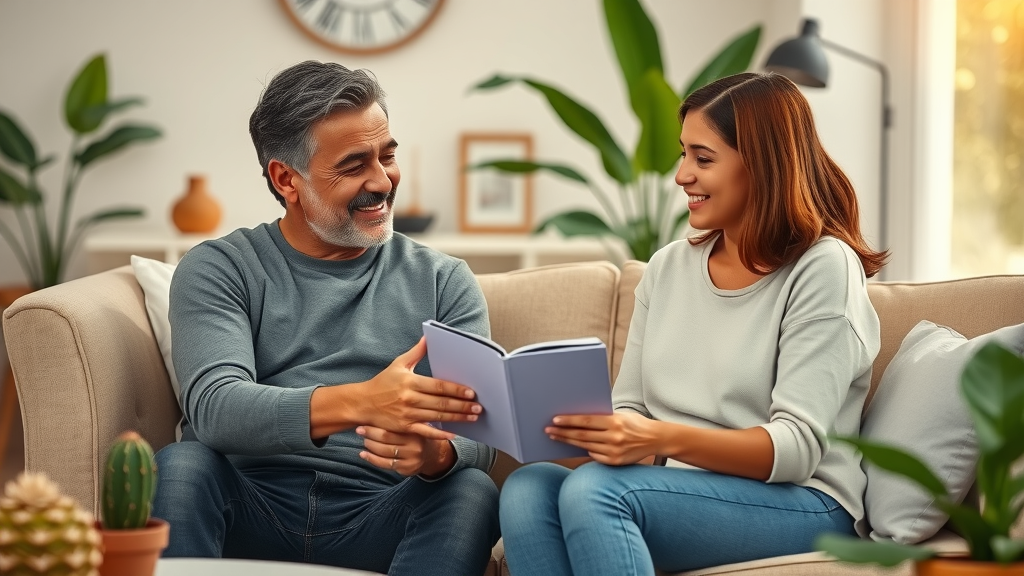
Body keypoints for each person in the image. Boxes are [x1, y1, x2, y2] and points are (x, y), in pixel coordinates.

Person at [498, 72, 889, 575]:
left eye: (703, 159)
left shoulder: (822, 267)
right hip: (677, 485)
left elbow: (796, 449)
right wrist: (552, 426)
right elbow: (631, 408)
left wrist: (658, 438)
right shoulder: (668, 267)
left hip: (805, 501)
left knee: (598, 492)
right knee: (528, 489)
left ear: (763, 165)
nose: (682, 175)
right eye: (684, 154)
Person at [152, 61, 500, 576]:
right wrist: (363, 401)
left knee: (471, 489)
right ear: (286, 179)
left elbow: (481, 431)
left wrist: (438, 455)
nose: (382, 181)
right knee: (182, 466)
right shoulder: (221, 267)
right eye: (354, 165)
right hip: (251, 503)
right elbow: (215, 408)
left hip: (381, 511)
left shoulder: (442, 280)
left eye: (387, 156)